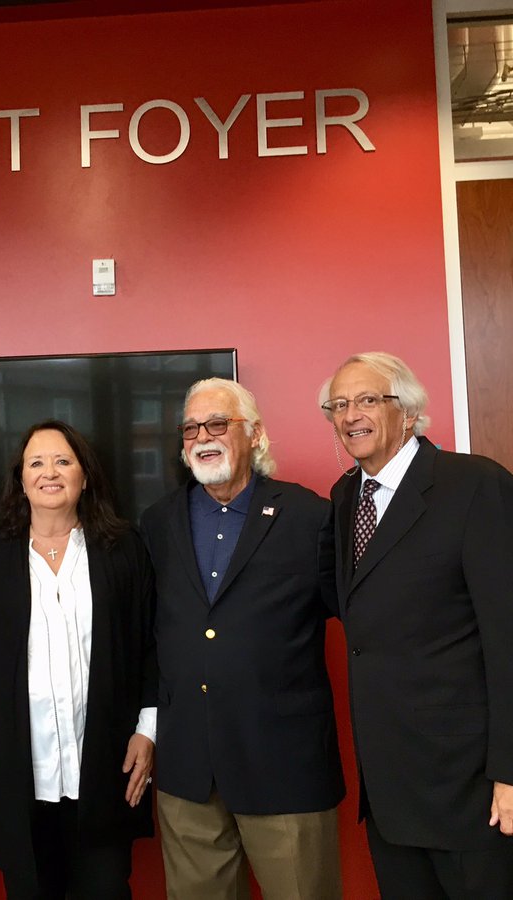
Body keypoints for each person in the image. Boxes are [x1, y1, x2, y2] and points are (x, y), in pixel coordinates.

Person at [319, 351, 513, 900]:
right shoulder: (345, 500)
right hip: (391, 793)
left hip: (477, 792)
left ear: (407, 411)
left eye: (366, 399)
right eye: (338, 404)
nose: (349, 414)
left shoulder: (476, 486)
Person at [0, 420, 157, 899]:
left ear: (84, 476)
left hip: (105, 764)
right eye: (36, 463)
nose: (49, 472)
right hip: (19, 770)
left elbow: (150, 641)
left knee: (107, 888)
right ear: (21, 480)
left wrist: (148, 728)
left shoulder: (122, 549)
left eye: (63, 461)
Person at [140, 378, 344, 900]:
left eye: (217, 424)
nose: (202, 436)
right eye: (190, 428)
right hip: (189, 767)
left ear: (254, 434)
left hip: (285, 764)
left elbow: (360, 617)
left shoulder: (310, 516)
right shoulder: (157, 522)